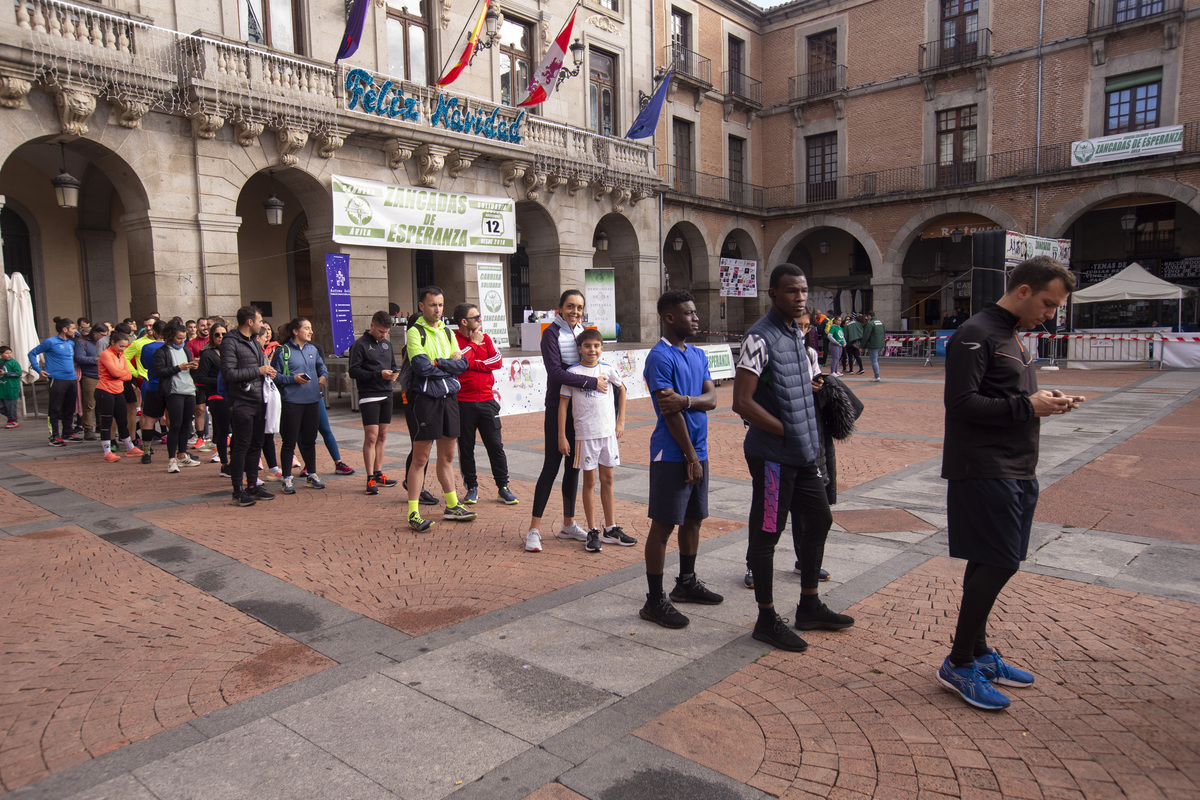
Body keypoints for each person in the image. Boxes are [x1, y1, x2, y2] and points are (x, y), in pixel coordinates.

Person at [937, 256, 1083, 711]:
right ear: (1023, 290)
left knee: (989, 560)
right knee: (1002, 562)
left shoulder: (1012, 335)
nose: (1051, 313)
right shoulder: (977, 333)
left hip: (1017, 467)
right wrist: (1028, 407)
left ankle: (978, 653)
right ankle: (959, 663)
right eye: (1048, 303)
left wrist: (1048, 402)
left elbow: (1011, 398)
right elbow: (961, 404)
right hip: (982, 468)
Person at [732, 264, 854, 652]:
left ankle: (810, 604)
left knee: (820, 518)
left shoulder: (798, 336)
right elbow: (742, 402)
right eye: (791, 291)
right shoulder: (759, 338)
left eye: (803, 291)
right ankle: (766, 618)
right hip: (771, 457)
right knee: (768, 534)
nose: (800, 297)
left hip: (802, 454)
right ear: (772, 294)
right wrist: (786, 429)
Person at [638, 290, 722, 627]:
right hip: (672, 454)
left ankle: (686, 583)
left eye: (695, 312)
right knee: (663, 526)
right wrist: (689, 456)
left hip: (697, 452)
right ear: (670, 317)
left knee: (693, 520)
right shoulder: (660, 357)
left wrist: (687, 400)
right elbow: (669, 413)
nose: (696, 318)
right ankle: (654, 600)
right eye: (689, 313)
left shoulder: (698, 354)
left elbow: (712, 398)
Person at [525, 290, 607, 553]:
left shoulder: (585, 331)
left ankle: (568, 524)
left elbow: (594, 361)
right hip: (557, 406)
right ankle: (533, 529)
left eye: (579, 307)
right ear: (559, 308)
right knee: (551, 465)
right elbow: (555, 372)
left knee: (574, 466)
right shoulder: (551, 333)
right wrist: (591, 382)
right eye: (570, 306)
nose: (575, 311)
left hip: (582, 409)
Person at [405, 286, 475, 531]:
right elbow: (422, 368)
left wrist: (439, 363)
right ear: (422, 306)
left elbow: (462, 364)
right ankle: (413, 512)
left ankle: (452, 505)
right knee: (420, 458)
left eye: (441, 305)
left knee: (447, 457)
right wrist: (447, 365)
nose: (438, 309)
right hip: (426, 400)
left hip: (449, 398)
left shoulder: (447, 332)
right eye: (433, 304)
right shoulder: (415, 333)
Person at [557, 328, 629, 553]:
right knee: (589, 482)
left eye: (596, 346)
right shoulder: (573, 373)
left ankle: (611, 528)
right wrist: (562, 435)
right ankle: (592, 530)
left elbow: (623, 390)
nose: (592, 350)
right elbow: (563, 405)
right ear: (579, 349)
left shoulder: (607, 369)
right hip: (585, 436)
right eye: (587, 346)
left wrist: (620, 421)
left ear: (602, 348)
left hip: (608, 434)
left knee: (608, 480)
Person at [452, 303, 518, 506]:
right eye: (476, 317)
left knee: (496, 446)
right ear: (464, 322)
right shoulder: (453, 339)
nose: (480, 320)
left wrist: (472, 364)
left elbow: (497, 361)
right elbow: (457, 361)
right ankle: (471, 487)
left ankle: (503, 487)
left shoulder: (486, 338)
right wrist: (473, 345)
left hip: (488, 401)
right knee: (466, 447)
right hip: (463, 402)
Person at [222, 305, 276, 507]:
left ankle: (252, 485)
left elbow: (258, 369)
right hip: (242, 401)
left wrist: (268, 371)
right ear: (249, 322)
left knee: (256, 444)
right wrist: (258, 370)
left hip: (258, 399)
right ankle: (237, 490)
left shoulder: (254, 342)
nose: (262, 325)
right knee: (241, 446)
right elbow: (229, 373)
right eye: (260, 321)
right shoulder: (230, 342)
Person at [272, 317, 328, 495]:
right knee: (289, 441)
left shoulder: (313, 349)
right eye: (307, 328)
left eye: (311, 328)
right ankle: (287, 478)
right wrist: (292, 379)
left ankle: (312, 474)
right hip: (292, 402)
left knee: (310, 441)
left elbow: (322, 368)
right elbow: (274, 375)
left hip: (312, 401)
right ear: (295, 331)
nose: (311, 331)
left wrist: (323, 377)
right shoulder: (283, 351)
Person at [348, 310, 400, 495]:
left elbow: (392, 365)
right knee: (371, 436)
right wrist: (378, 374)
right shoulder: (359, 345)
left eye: (386, 332)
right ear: (372, 325)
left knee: (383, 435)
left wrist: (394, 374)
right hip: (369, 394)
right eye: (380, 331)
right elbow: (353, 371)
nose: (383, 335)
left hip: (386, 392)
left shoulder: (386, 344)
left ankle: (379, 472)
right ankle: (369, 477)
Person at [153, 321, 202, 473]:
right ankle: (171, 460)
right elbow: (159, 372)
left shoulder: (186, 350)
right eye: (179, 338)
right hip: (174, 391)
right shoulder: (162, 351)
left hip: (189, 390)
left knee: (186, 425)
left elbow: (191, 372)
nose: (182, 341)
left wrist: (194, 367)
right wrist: (178, 368)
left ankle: (182, 455)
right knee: (175, 425)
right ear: (170, 337)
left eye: (183, 338)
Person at [29, 317, 79, 446]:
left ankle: (67, 433)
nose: (75, 330)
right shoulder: (50, 342)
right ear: (65, 329)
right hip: (57, 378)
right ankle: (54, 436)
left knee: (70, 407)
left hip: (72, 379)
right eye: (73, 328)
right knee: (55, 408)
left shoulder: (71, 343)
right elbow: (32, 353)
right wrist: (38, 369)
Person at [94, 331, 143, 461]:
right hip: (105, 391)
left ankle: (130, 447)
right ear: (112, 343)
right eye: (121, 346)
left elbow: (128, 374)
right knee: (107, 422)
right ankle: (107, 452)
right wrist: (122, 374)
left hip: (118, 390)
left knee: (123, 420)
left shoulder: (120, 355)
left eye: (125, 346)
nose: (123, 349)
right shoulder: (106, 354)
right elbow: (115, 372)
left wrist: (121, 374)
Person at [194, 323, 231, 476]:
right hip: (216, 396)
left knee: (236, 431)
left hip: (234, 396)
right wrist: (221, 381)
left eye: (223, 334)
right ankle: (224, 464)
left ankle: (235, 461)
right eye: (217, 334)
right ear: (211, 336)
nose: (221, 337)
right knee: (222, 431)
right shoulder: (208, 354)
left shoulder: (231, 352)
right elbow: (199, 378)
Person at [132, 320, 167, 462]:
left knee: (147, 418)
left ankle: (146, 452)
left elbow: (145, 365)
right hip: (170, 386)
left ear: (155, 331)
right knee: (172, 418)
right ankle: (179, 453)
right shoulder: (173, 347)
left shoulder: (147, 347)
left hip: (151, 384)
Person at [74, 323, 107, 439]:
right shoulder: (82, 343)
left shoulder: (106, 342)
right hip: (90, 376)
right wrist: (97, 360)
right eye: (102, 335)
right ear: (94, 333)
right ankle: (88, 428)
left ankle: (105, 428)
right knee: (89, 403)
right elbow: (79, 357)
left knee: (105, 404)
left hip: (104, 376)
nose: (104, 337)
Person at [1, 346, 23, 428]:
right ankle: (12, 416)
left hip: (11, 388)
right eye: (6, 353)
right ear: (1, 354)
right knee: (2, 406)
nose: (9, 355)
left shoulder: (14, 363)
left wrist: (5, 373)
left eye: (10, 353)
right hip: (2, 387)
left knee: (10, 405)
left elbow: (18, 373)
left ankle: (13, 420)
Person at [861, 310, 886, 382]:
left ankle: (877, 376)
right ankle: (877, 376)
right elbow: (883, 334)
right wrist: (884, 344)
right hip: (881, 344)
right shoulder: (881, 323)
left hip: (873, 344)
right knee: (876, 360)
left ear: (869, 316)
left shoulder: (870, 323)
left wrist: (862, 346)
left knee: (874, 361)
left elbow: (866, 335)